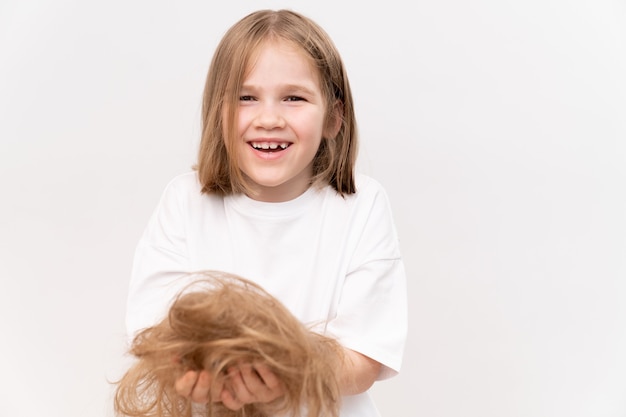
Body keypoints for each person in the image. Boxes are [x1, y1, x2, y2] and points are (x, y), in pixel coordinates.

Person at [125, 8, 407, 417]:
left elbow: (364, 359)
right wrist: (199, 376)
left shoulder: (362, 205)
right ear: (217, 113)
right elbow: (154, 334)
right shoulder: (185, 201)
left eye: (294, 97)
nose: (269, 118)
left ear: (334, 117)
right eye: (245, 97)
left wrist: (283, 379)